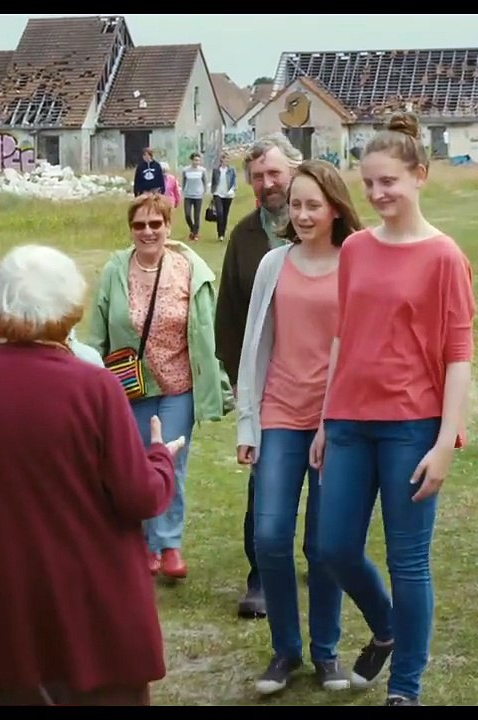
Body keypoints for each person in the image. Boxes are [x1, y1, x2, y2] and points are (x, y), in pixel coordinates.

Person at [0, 244, 184, 706]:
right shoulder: (96, 386)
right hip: (84, 602)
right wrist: (160, 458)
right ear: (69, 310)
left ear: (0, 307)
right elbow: (137, 494)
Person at [311, 112, 477, 707]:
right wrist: (327, 420)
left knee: (409, 563)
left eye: (390, 182)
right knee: (332, 548)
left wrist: (444, 441)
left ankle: (405, 686)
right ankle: (385, 628)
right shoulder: (355, 249)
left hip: (411, 427)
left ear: (420, 177)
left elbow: (459, 353)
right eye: (370, 183)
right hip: (350, 424)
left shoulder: (444, 256)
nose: (379, 194)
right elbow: (341, 336)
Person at [236, 159, 389, 696]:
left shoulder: (357, 262)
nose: (301, 214)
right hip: (279, 413)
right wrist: (247, 425)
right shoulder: (274, 265)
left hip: (339, 423)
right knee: (271, 536)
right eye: (295, 204)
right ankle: (285, 651)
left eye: (312, 206)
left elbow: (365, 345)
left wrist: (335, 419)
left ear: (334, 208)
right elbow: (255, 344)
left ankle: (325, 653)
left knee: (324, 546)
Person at [87, 192, 226, 579]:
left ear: (168, 226)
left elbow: (206, 331)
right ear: (130, 230)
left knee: (171, 462)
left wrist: (220, 380)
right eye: (139, 225)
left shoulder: (188, 269)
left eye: (155, 224)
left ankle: (169, 545)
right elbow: (98, 330)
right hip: (129, 387)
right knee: (134, 464)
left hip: (179, 385)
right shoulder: (115, 270)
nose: (147, 232)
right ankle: (144, 544)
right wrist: (89, 378)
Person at [214, 133, 303, 619]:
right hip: (267, 383)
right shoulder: (246, 236)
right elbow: (227, 313)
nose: (268, 184)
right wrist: (239, 378)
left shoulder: (332, 228)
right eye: (258, 177)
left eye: (274, 173)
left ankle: (320, 558)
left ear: (294, 168)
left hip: (323, 380)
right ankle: (261, 578)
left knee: (327, 478)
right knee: (264, 484)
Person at [179, 152, 207, 242]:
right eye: (195, 160)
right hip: (188, 195)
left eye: (198, 160)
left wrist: (204, 191)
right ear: (192, 160)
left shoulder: (202, 170)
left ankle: (195, 234)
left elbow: (204, 181)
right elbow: (183, 181)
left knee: (197, 216)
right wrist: (183, 191)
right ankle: (192, 229)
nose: (197, 162)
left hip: (198, 195)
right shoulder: (186, 170)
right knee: (187, 214)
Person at [210, 152, 238, 242]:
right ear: (221, 159)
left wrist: (233, 189)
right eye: (225, 159)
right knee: (220, 213)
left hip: (228, 195)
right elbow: (213, 182)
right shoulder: (216, 170)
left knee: (225, 214)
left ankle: (223, 233)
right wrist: (212, 192)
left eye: (228, 159)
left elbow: (234, 182)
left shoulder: (231, 170)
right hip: (218, 194)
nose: (227, 161)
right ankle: (220, 233)